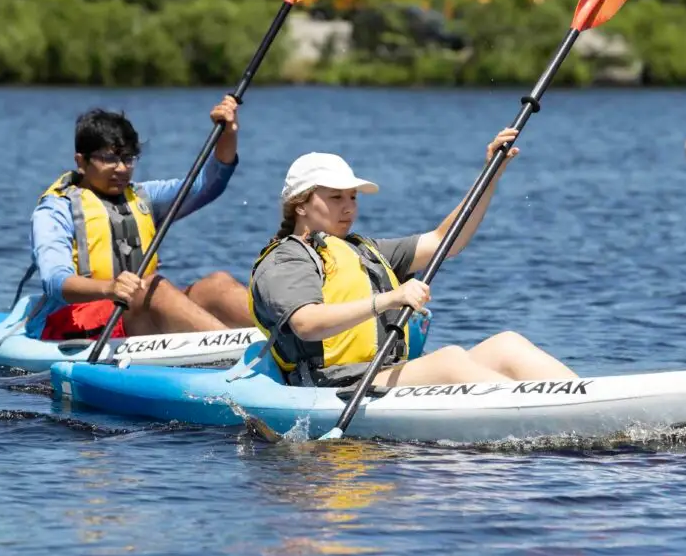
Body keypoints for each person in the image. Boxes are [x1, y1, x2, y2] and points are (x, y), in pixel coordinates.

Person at [247, 128, 577, 388]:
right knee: (449, 360)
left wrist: (490, 175)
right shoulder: (286, 259)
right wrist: (390, 299)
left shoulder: (363, 249)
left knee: (507, 345)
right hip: (333, 385)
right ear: (300, 205)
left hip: (384, 373)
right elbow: (306, 324)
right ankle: (541, 414)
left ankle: (591, 403)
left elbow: (444, 241)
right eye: (335, 197)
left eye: (352, 197)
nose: (348, 207)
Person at [26, 95, 252, 341]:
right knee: (153, 289)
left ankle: (286, 341)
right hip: (71, 320)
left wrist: (227, 132)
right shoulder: (55, 210)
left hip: (133, 311)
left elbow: (207, 185)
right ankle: (238, 354)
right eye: (109, 159)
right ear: (81, 161)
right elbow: (55, 281)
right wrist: (110, 288)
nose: (121, 168)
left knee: (216, 285)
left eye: (128, 159)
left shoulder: (144, 197)